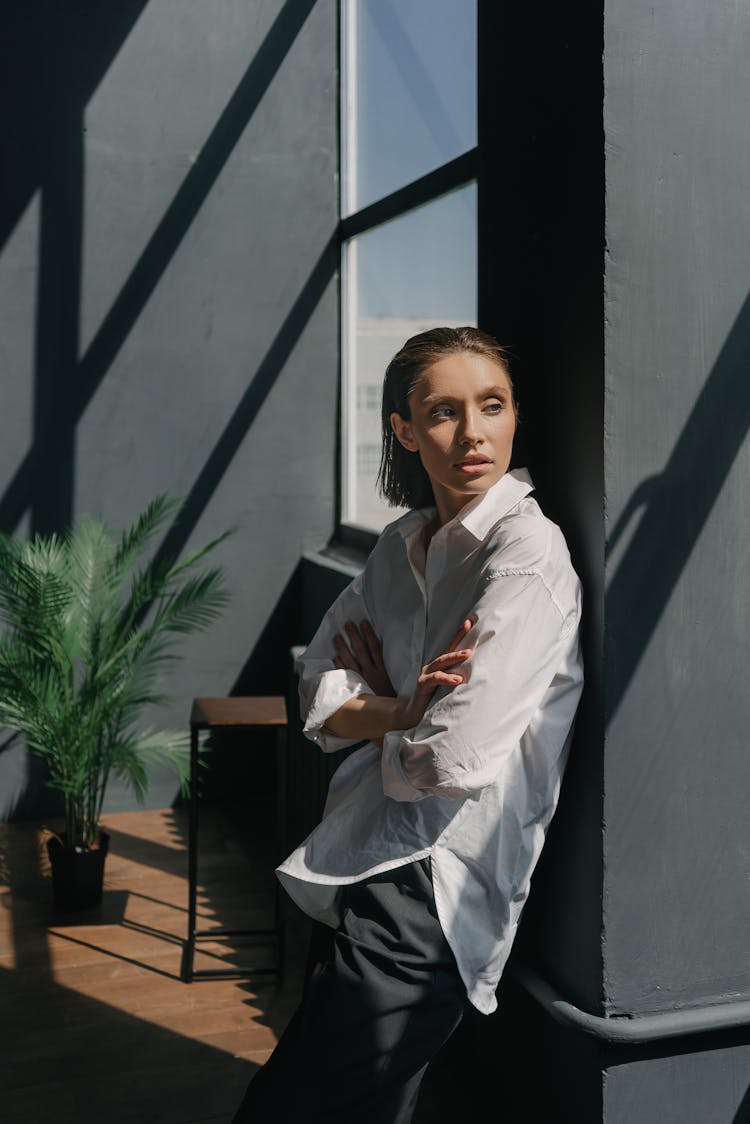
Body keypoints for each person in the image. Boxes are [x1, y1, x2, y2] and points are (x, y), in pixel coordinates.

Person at [231, 326, 584, 1123]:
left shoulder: (526, 555)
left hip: (439, 881)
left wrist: (380, 729)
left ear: (515, 415)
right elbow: (316, 689)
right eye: (443, 412)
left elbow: (449, 761)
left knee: (289, 1108)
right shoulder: (399, 550)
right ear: (404, 429)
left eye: (491, 406)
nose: (472, 434)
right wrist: (397, 708)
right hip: (362, 857)